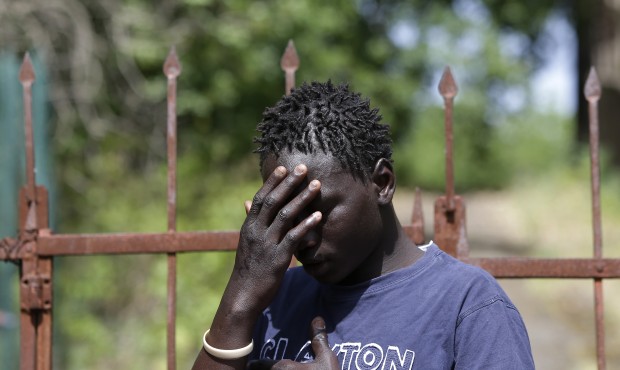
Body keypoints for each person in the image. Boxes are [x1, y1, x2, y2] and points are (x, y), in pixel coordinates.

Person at [192, 81, 534, 370]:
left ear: (382, 183)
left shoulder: (468, 305)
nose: (304, 238)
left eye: (317, 211)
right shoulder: (271, 300)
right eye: (289, 215)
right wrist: (240, 297)